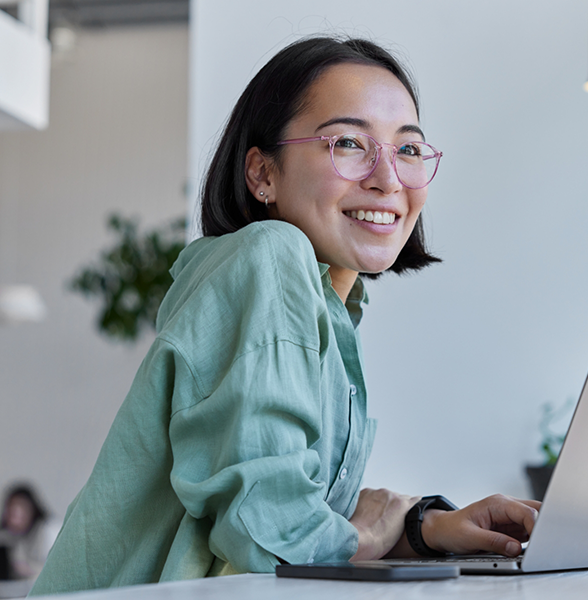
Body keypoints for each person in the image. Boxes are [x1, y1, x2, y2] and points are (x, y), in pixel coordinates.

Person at [30, 36, 540, 595]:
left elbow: (297, 513)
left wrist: (426, 527)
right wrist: (372, 533)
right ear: (262, 175)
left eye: (409, 150)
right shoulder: (268, 256)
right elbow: (270, 535)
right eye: (348, 142)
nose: (388, 179)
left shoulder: (331, 305)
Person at [0, 484, 60, 581]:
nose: (15, 519)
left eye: (20, 510)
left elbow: (57, 571)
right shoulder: (18, 537)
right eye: (11, 512)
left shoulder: (49, 531)